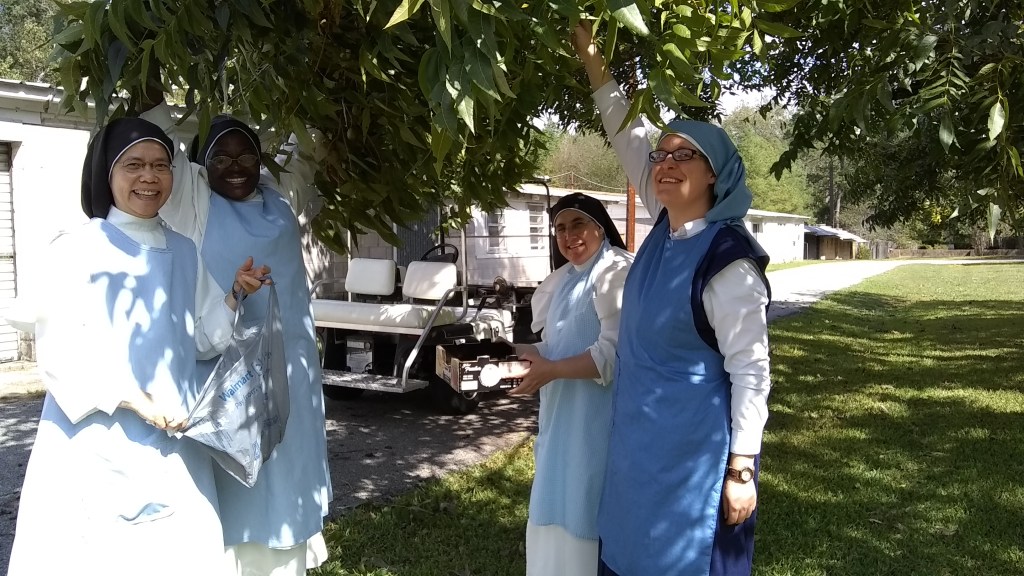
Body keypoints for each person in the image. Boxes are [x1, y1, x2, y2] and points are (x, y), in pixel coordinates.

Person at [4, 117, 270, 575]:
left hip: (174, 436)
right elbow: (61, 355)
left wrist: (234, 295)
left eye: (161, 165)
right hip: (98, 436)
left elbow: (199, 340)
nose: (149, 176)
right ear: (107, 173)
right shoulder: (79, 248)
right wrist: (134, 400)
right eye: (134, 165)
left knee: (178, 551)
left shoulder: (183, 249)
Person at [572, 21, 773, 576]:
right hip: (637, 447)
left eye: (685, 156)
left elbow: (751, 370)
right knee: (627, 554)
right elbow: (625, 128)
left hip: (693, 459)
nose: (666, 163)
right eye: (661, 155)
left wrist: (741, 470)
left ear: (713, 174)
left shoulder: (728, 263)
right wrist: (590, 52)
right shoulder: (666, 222)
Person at [141, 100, 332, 575]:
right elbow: (156, 132)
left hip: (290, 364)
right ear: (201, 165)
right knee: (239, 476)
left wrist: (319, 78)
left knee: (288, 465)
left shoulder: (277, 195)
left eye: (246, 155)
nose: (235, 167)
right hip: (227, 370)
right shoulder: (196, 200)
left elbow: (309, 145)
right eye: (221, 158)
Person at [506, 192, 632, 576]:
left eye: (578, 224)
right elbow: (555, 347)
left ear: (600, 227)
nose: (568, 235)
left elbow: (613, 356)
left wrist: (552, 370)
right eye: (560, 228)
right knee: (554, 501)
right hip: (561, 417)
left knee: (586, 504)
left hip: (598, 421)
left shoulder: (616, 272)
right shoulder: (564, 280)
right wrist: (507, 353)